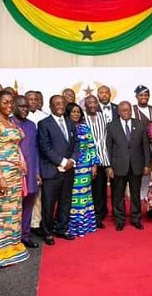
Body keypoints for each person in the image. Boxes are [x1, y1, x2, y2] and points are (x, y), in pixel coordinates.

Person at [0, 90, 30, 269]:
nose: (9, 105)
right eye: (5, 102)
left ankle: (11, 248)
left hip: (15, 171)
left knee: (14, 209)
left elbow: (15, 144)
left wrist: (22, 161)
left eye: (11, 102)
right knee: (2, 209)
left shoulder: (10, 121)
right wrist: (1, 176)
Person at [38, 95, 77, 245]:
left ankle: (62, 228)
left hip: (68, 170)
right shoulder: (44, 124)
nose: (60, 106)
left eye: (62, 103)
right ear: (51, 106)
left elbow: (76, 144)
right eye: (57, 103)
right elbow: (45, 147)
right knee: (48, 203)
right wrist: (61, 162)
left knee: (65, 201)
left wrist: (72, 160)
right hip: (51, 170)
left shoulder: (70, 123)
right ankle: (47, 232)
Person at [106, 101, 151, 231]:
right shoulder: (111, 126)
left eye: (129, 110)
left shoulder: (139, 124)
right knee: (118, 194)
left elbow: (145, 146)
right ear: (119, 112)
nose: (127, 112)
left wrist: (147, 164)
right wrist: (108, 166)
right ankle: (120, 220)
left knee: (135, 194)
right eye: (124, 110)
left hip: (136, 165)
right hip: (118, 166)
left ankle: (136, 218)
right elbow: (108, 147)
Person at [65, 103, 100, 236]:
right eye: (73, 112)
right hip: (69, 166)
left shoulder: (85, 128)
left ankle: (85, 225)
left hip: (84, 167)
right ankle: (71, 226)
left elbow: (91, 146)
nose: (76, 114)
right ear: (68, 113)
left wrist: (94, 164)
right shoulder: (65, 127)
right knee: (70, 197)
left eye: (78, 112)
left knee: (84, 196)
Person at [12, 95, 41, 248]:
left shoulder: (31, 125)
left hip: (30, 171)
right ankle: (12, 238)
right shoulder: (8, 124)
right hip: (13, 171)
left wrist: (37, 172)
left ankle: (25, 235)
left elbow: (35, 149)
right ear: (13, 107)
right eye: (21, 106)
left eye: (26, 107)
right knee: (14, 205)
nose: (25, 109)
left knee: (29, 202)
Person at [84, 95, 110, 229]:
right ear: (85, 105)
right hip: (87, 160)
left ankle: (99, 215)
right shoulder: (82, 117)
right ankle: (91, 215)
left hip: (102, 158)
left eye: (95, 102)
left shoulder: (102, 116)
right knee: (90, 189)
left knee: (101, 188)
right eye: (90, 103)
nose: (93, 105)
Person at [24, 90, 48, 236]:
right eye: (30, 99)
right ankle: (33, 224)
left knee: (44, 195)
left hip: (45, 160)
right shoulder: (18, 119)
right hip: (29, 161)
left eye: (35, 99)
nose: (32, 101)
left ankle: (42, 221)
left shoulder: (44, 117)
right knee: (33, 195)